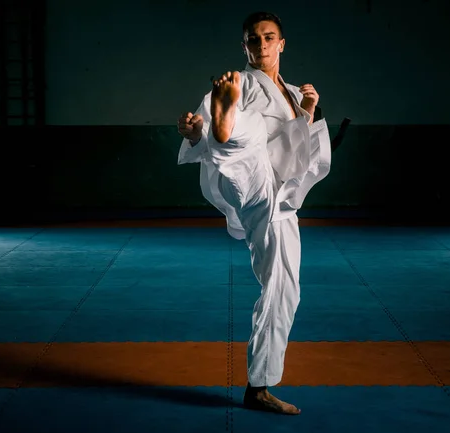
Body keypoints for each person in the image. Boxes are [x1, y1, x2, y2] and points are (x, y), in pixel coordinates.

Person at [177, 11, 331, 415]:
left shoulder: (296, 93)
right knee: (246, 138)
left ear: (281, 44)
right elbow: (199, 132)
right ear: (244, 46)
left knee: (284, 290)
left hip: (279, 199)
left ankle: (258, 385)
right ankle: (228, 128)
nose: (261, 45)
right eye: (253, 39)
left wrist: (308, 112)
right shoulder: (239, 82)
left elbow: (301, 154)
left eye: (268, 38)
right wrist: (197, 131)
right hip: (249, 181)